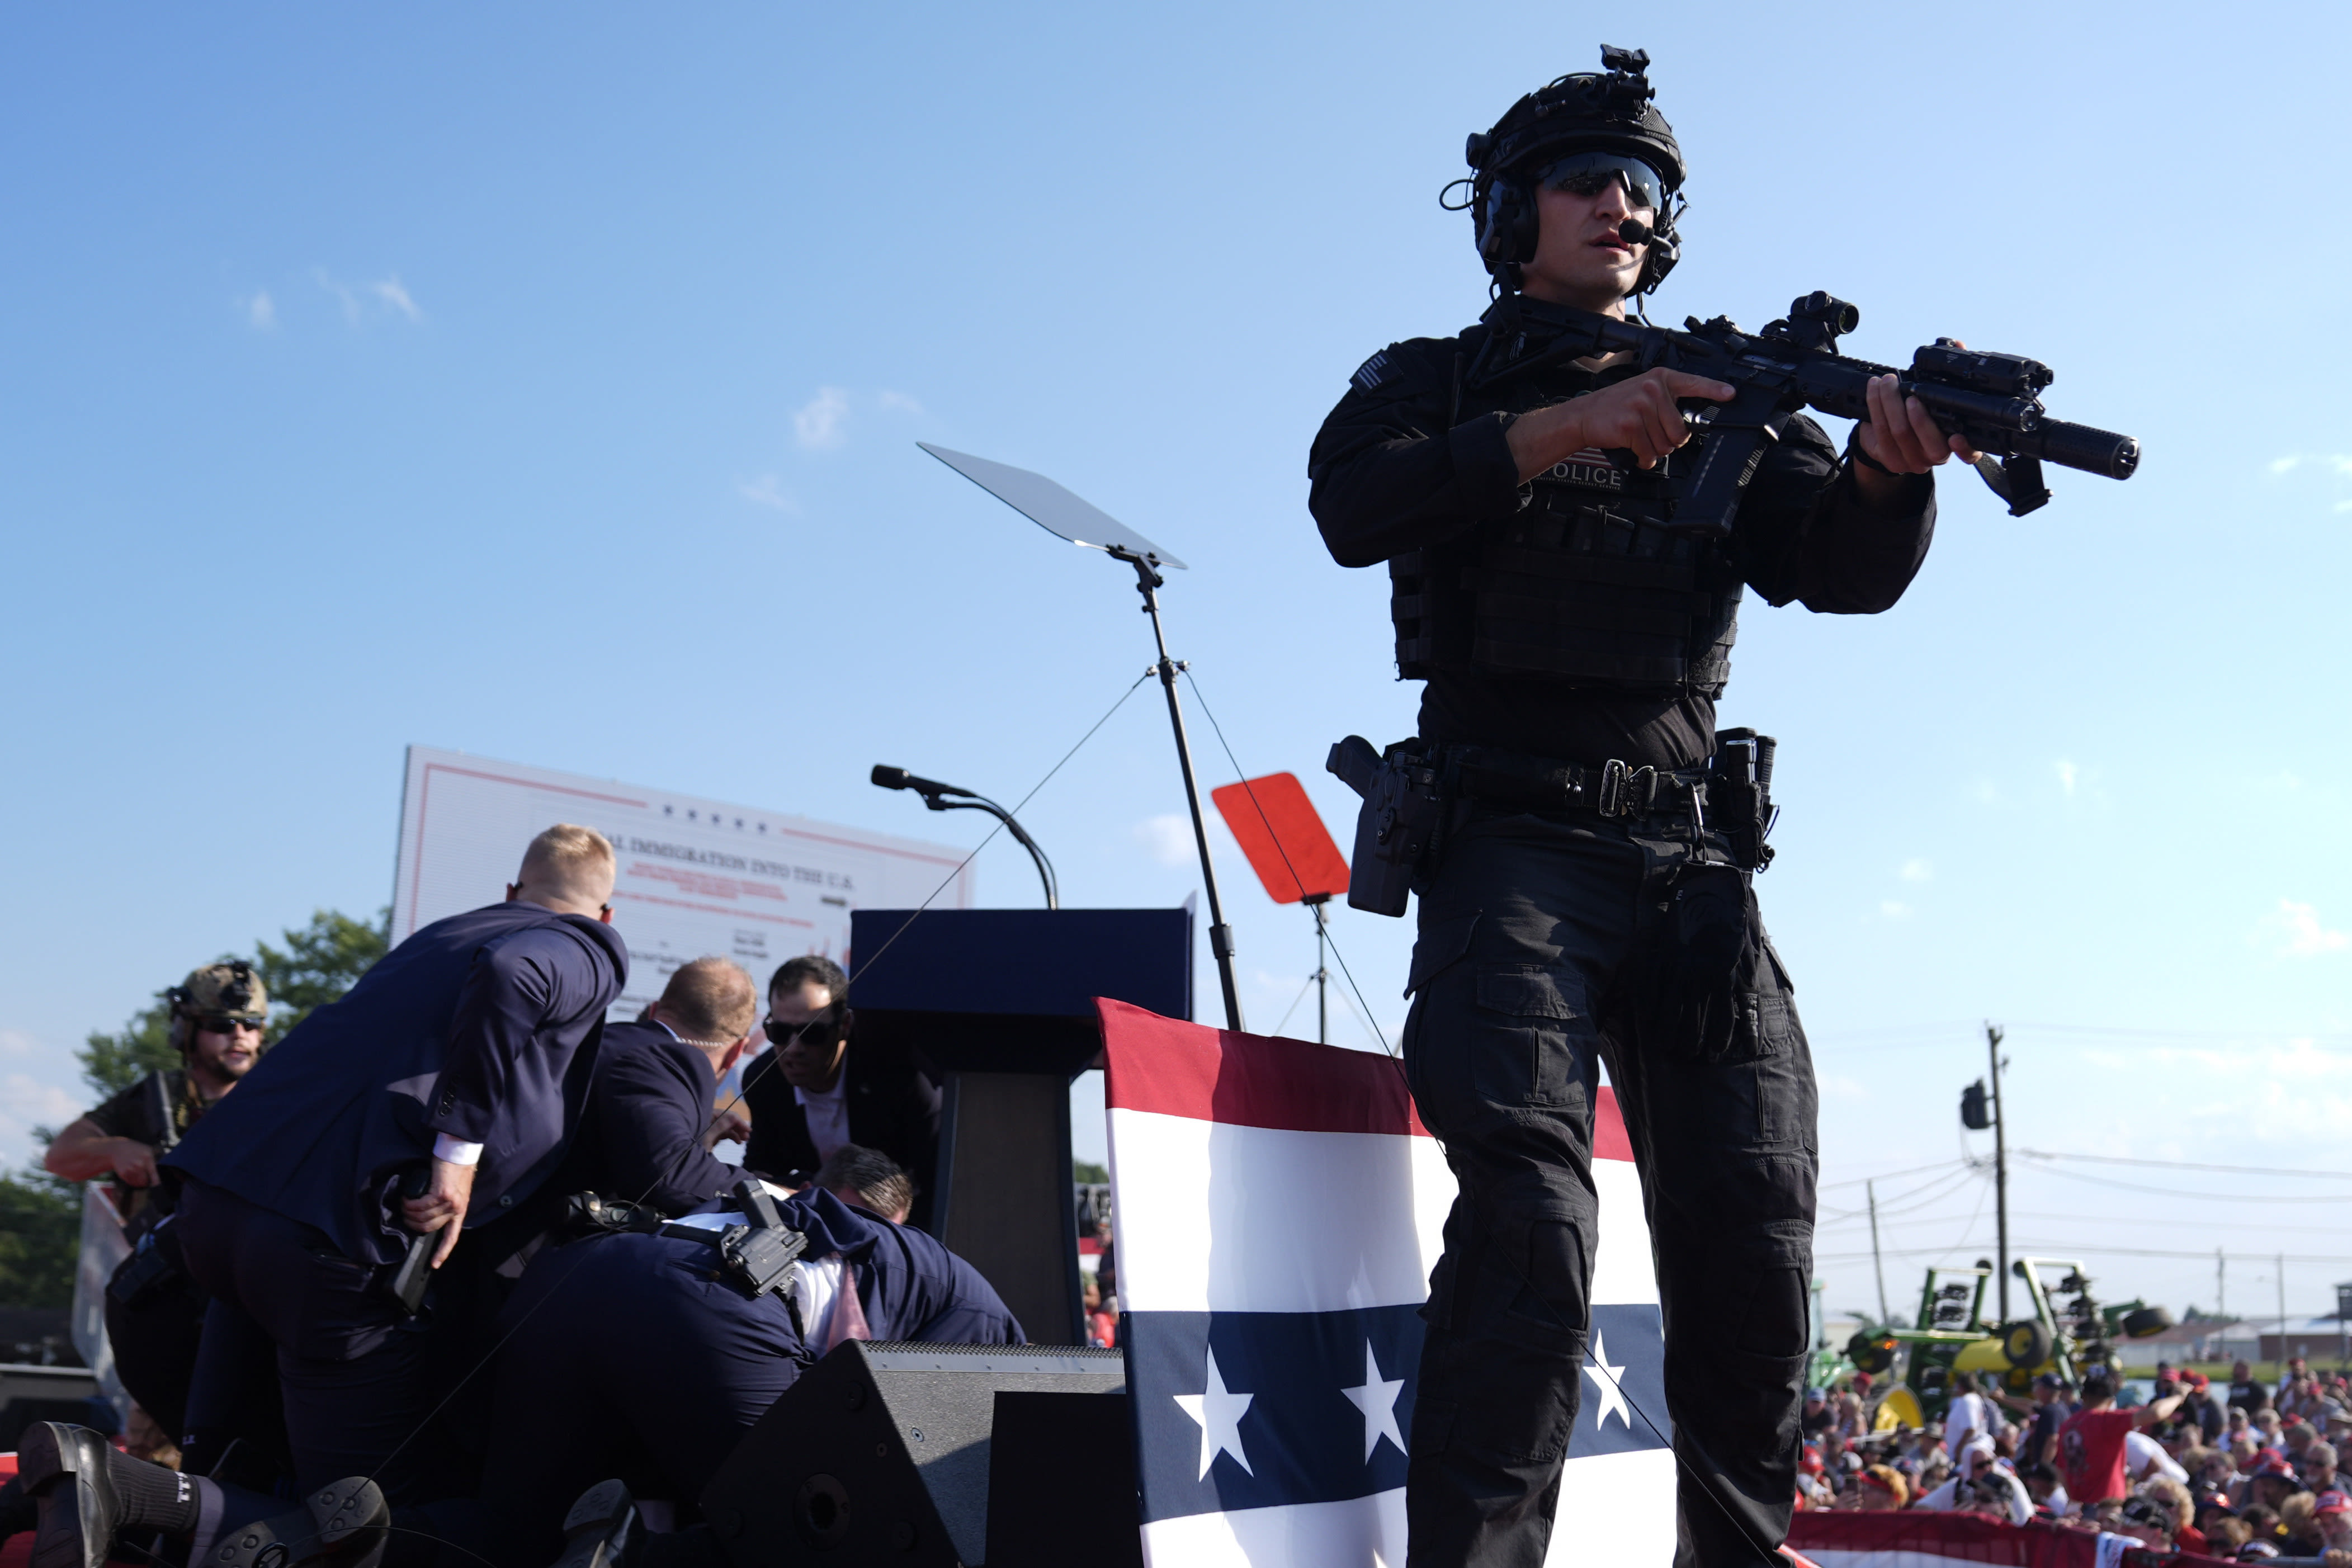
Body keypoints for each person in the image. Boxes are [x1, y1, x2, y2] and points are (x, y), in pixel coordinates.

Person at [1306, 46, 1963, 1568]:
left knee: (1753, 1257)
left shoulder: (1729, 392)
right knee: (1530, 1234)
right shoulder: (1432, 380)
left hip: (1694, 873)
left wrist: (1881, 468)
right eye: (1590, 177)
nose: (1622, 201)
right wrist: (1574, 427)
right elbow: (1355, 508)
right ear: (1508, 214)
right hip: (1510, 850)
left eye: (1647, 184)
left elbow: (1837, 570)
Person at [162, 825, 629, 1503]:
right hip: (324, 1243)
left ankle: (110, 1491)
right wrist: (457, 1153)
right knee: (362, 1516)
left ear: (510, 890)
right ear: (607, 914)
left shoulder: (444, 933)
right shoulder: (582, 946)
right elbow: (513, 974)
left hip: (217, 1203)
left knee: (227, 1466)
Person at [477, 1180, 1021, 1568]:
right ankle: (637, 1556)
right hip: (704, 1296)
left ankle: (398, 1535)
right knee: (805, 1527)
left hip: (577, 1270)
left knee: (513, 1532)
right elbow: (905, 1466)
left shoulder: (941, 1281)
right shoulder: (992, 1333)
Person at [43, 963, 268, 1441]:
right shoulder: (153, 1100)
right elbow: (61, 1156)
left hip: (251, 1308)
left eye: (252, 1024)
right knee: (160, 1478)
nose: (241, 1035)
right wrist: (116, 1149)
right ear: (186, 1029)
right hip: (167, 1319)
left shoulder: (279, 1098)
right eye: (222, 1024)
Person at [738, 955, 941, 1227]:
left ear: (845, 1025)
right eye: (780, 1031)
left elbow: (935, 1181)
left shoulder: (901, 1079)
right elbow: (763, 1171)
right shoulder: (763, 1082)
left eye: (812, 1033)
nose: (793, 1048)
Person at [549, 956, 758, 1217]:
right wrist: (773, 1195)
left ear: (654, 1011)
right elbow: (670, 1180)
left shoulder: (600, 1041)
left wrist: (697, 1142)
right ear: (737, 1052)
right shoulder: (668, 1062)